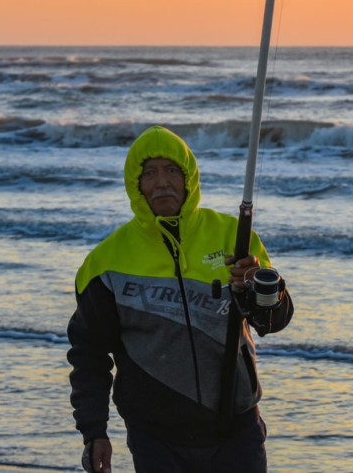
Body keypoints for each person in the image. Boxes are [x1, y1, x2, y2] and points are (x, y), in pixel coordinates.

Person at [67, 126, 294, 472]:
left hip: (237, 427)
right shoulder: (106, 263)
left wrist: (261, 290)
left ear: (189, 179)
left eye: (172, 170)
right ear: (135, 185)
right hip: (156, 437)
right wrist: (94, 431)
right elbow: (89, 354)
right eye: (150, 173)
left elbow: (272, 322)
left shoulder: (235, 237)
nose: (162, 182)